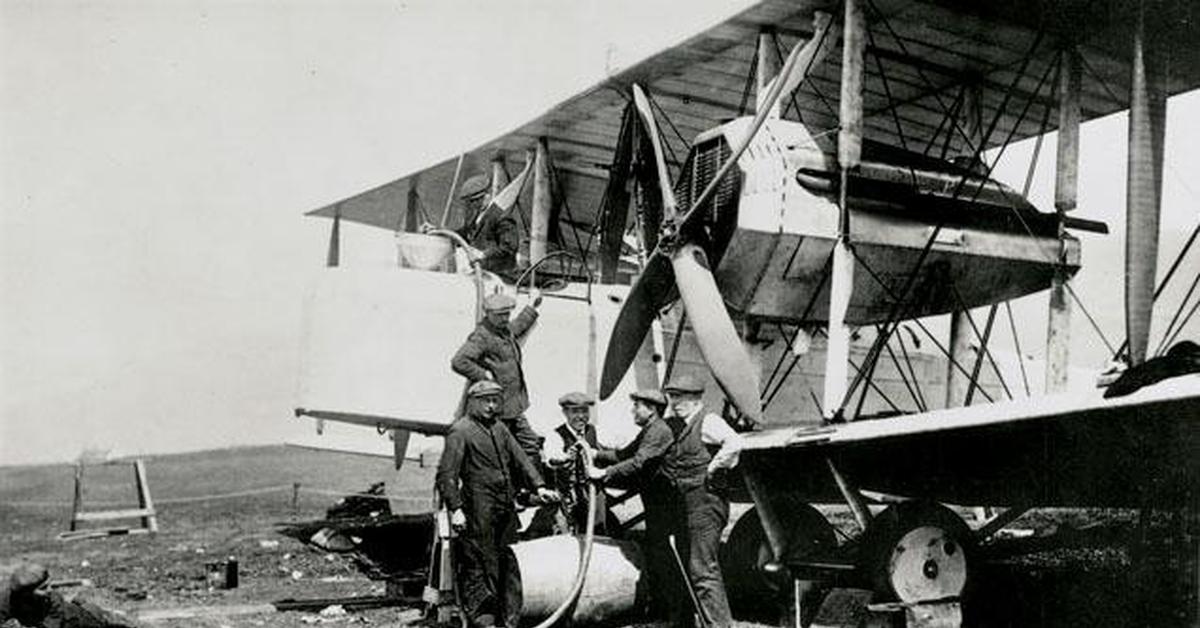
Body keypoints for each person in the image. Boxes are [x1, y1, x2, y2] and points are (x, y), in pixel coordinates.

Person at [436, 380, 558, 628]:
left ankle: (508, 616)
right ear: (473, 402)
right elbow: (446, 475)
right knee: (480, 562)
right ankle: (483, 619)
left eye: (495, 400)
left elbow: (521, 458)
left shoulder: (500, 428)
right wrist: (456, 509)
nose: (492, 406)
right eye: (486, 401)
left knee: (508, 557)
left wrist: (540, 486)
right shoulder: (460, 431)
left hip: (505, 505)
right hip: (477, 506)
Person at [586, 389, 681, 621]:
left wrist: (603, 473)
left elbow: (638, 463)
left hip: (666, 503)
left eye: (637, 406)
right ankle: (664, 610)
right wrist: (596, 453)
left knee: (665, 555)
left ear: (651, 410)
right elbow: (625, 454)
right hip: (656, 501)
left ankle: (672, 612)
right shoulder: (650, 430)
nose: (633, 410)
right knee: (658, 552)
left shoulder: (658, 431)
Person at [660, 374, 743, 628]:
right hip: (686, 504)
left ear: (696, 399)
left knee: (702, 569)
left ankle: (719, 625)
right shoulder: (676, 423)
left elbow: (735, 442)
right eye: (673, 397)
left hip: (706, 504)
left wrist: (714, 467)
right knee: (687, 563)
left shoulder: (708, 420)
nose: (675, 403)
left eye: (681, 398)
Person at [451, 292, 545, 466]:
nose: (505, 318)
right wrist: (484, 376)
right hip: (496, 410)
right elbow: (459, 361)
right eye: (500, 315)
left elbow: (518, 326)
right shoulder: (482, 336)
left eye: (507, 314)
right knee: (497, 454)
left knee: (531, 444)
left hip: (514, 406)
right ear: (488, 314)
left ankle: (527, 489)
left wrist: (532, 307)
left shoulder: (503, 330)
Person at [456, 173, 520, 278]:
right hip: (480, 271)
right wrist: (439, 232)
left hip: (501, 275)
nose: (473, 205)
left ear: (486, 196)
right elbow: (464, 233)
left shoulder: (502, 216)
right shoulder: (478, 215)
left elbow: (509, 248)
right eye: (471, 202)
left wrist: (483, 254)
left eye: (475, 201)